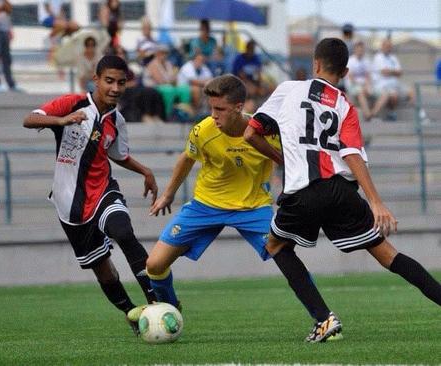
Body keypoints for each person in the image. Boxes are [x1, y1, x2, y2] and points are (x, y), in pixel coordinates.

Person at [244, 37, 441, 342]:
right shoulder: (344, 105)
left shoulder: (288, 90)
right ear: (346, 72)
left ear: (315, 64)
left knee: (276, 246)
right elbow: (351, 154)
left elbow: (250, 134)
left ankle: (324, 319)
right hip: (339, 191)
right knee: (388, 255)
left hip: (303, 193)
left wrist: (282, 158)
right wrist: (376, 202)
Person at [141, 75, 334, 340]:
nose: (213, 116)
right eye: (211, 108)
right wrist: (168, 195)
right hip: (206, 205)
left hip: (253, 208)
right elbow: (187, 158)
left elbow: (293, 160)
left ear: (238, 107)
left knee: (286, 256)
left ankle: (324, 319)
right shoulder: (203, 130)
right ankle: (170, 310)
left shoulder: (264, 133)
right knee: (155, 264)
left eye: (219, 110)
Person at [23, 55, 158, 334]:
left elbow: (117, 155)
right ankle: (132, 314)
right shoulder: (72, 103)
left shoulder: (117, 120)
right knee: (103, 269)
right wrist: (61, 120)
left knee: (123, 232)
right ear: (96, 79)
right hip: (69, 202)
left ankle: (156, 301)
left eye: (121, 83)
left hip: (103, 190)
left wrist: (145, 171)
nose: (115, 88)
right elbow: (29, 119)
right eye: (109, 81)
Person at [142, 44, 190, 120]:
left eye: (165, 53)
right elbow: (159, 80)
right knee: (169, 90)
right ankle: (167, 114)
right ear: (157, 54)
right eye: (161, 53)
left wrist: (173, 79)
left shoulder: (168, 63)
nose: (163, 55)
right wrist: (172, 79)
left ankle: (184, 112)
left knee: (185, 89)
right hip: (153, 87)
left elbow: (175, 79)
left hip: (168, 85)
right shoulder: (152, 64)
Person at [372, 38, 414, 121]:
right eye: (387, 46)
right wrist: (395, 72)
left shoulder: (393, 57)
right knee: (394, 95)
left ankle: (419, 114)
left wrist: (391, 72)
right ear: (382, 46)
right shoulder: (378, 57)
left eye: (390, 46)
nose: (389, 48)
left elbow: (400, 73)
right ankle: (391, 113)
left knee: (412, 91)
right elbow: (384, 72)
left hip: (396, 84)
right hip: (383, 85)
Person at [345, 40, 373, 121]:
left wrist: (367, 85)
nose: (360, 51)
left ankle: (373, 112)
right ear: (355, 50)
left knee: (371, 91)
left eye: (362, 49)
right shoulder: (350, 61)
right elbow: (351, 77)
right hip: (353, 85)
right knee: (361, 93)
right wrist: (363, 86)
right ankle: (367, 115)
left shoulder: (366, 61)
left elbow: (368, 75)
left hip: (364, 85)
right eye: (359, 49)